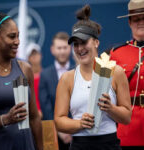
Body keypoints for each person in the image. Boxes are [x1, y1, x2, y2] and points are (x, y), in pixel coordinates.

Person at [54, 5, 132, 150]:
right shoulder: (67, 78)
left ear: (96, 42)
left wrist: (110, 108)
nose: (79, 48)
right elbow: (59, 120)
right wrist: (79, 123)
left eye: (84, 42)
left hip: (109, 144)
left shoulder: (116, 72)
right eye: (75, 44)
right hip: (79, 145)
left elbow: (127, 117)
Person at [0, 10, 43, 150]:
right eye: (11, 37)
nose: (17, 42)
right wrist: (5, 119)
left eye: (18, 36)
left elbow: (34, 117)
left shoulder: (25, 68)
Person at [109, 0, 144, 149]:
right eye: (136, 19)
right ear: (129, 22)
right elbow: (109, 93)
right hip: (128, 128)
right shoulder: (117, 53)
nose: (140, 22)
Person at [39, 32, 73, 150]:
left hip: (76, 132)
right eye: (59, 48)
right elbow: (45, 106)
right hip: (51, 131)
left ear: (70, 48)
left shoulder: (78, 71)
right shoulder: (45, 75)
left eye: (65, 47)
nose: (62, 51)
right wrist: (58, 130)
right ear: (53, 50)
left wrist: (72, 129)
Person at [27, 43, 43, 119]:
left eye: (36, 54)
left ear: (41, 55)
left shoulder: (47, 76)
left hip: (47, 115)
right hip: (32, 117)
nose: (34, 57)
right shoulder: (26, 78)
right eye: (32, 55)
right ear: (28, 58)